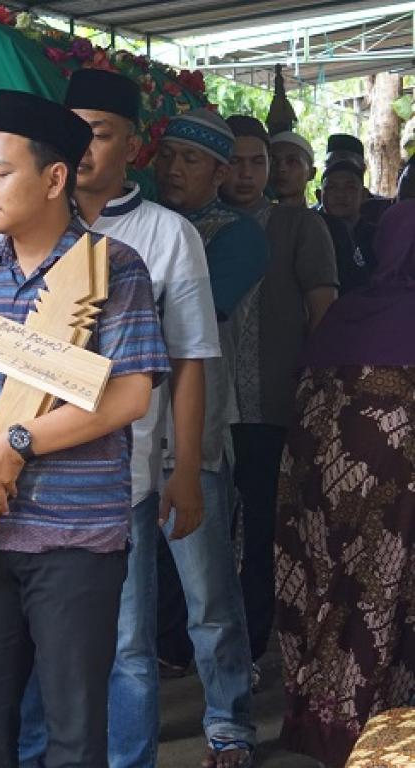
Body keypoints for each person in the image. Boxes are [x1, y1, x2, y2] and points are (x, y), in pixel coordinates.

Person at [0, 89, 167, 768]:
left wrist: (18, 443)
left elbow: (129, 396)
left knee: (73, 731)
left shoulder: (113, 268)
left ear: (55, 178)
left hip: (77, 539)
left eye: (1, 172)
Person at [15, 69, 233, 768]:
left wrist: (187, 469)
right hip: (32, 471)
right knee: (36, 640)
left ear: (133, 146)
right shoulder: (25, 227)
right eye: (72, 132)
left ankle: (141, 756)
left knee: (129, 646)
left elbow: (191, 360)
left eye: (101, 134)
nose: (83, 147)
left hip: (128, 472)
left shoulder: (167, 235)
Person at [274, 200, 415, 767]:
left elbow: (305, 425)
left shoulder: (343, 316)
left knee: (337, 606)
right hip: (395, 508)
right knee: (389, 608)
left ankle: (333, 727)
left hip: (324, 503)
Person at [153, 109, 268, 766]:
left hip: (193, 440)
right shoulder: (137, 220)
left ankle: (229, 722)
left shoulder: (238, 237)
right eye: (167, 154)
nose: (173, 168)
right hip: (118, 437)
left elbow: (181, 316)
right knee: (125, 601)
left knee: (209, 596)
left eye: (190, 159)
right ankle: (128, 723)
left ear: (221, 173)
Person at [222, 114, 338, 672]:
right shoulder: (196, 226)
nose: (246, 174)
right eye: (235, 162)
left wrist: (315, 398)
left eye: (258, 163)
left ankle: (250, 643)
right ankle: (191, 644)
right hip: (205, 408)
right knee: (208, 531)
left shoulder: (297, 226)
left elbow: (324, 316)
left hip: (272, 405)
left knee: (263, 530)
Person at [319, 160, 377, 294]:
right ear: (319, 196)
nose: (340, 195)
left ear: (364, 195)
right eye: (332, 188)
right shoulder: (310, 233)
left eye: (350, 188)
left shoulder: (378, 235)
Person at [268, 131, 316, 209]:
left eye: (292, 161)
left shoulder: (319, 217)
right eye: (273, 162)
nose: (281, 168)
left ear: (312, 173)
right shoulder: (253, 215)